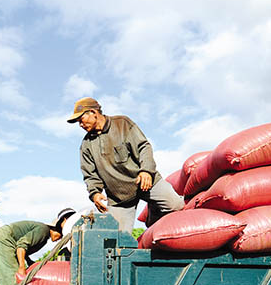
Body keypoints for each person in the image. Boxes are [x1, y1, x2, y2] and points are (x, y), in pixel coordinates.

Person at [67, 97, 184, 232]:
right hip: (119, 198)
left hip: (146, 182)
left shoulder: (122, 123)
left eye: (81, 119)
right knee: (119, 239)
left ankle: (153, 209)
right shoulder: (86, 145)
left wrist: (146, 171)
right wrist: (95, 194)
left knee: (177, 205)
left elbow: (143, 147)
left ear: (93, 112)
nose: (80, 124)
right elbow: (90, 175)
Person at [0, 208, 75, 285]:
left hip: (6, 238)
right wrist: (22, 267)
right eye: (60, 236)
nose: (59, 239)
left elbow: (24, 248)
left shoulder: (44, 237)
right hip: (5, 238)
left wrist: (30, 262)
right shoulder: (43, 231)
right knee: (10, 273)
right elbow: (21, 246)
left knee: (7, 273)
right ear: (56, 229)